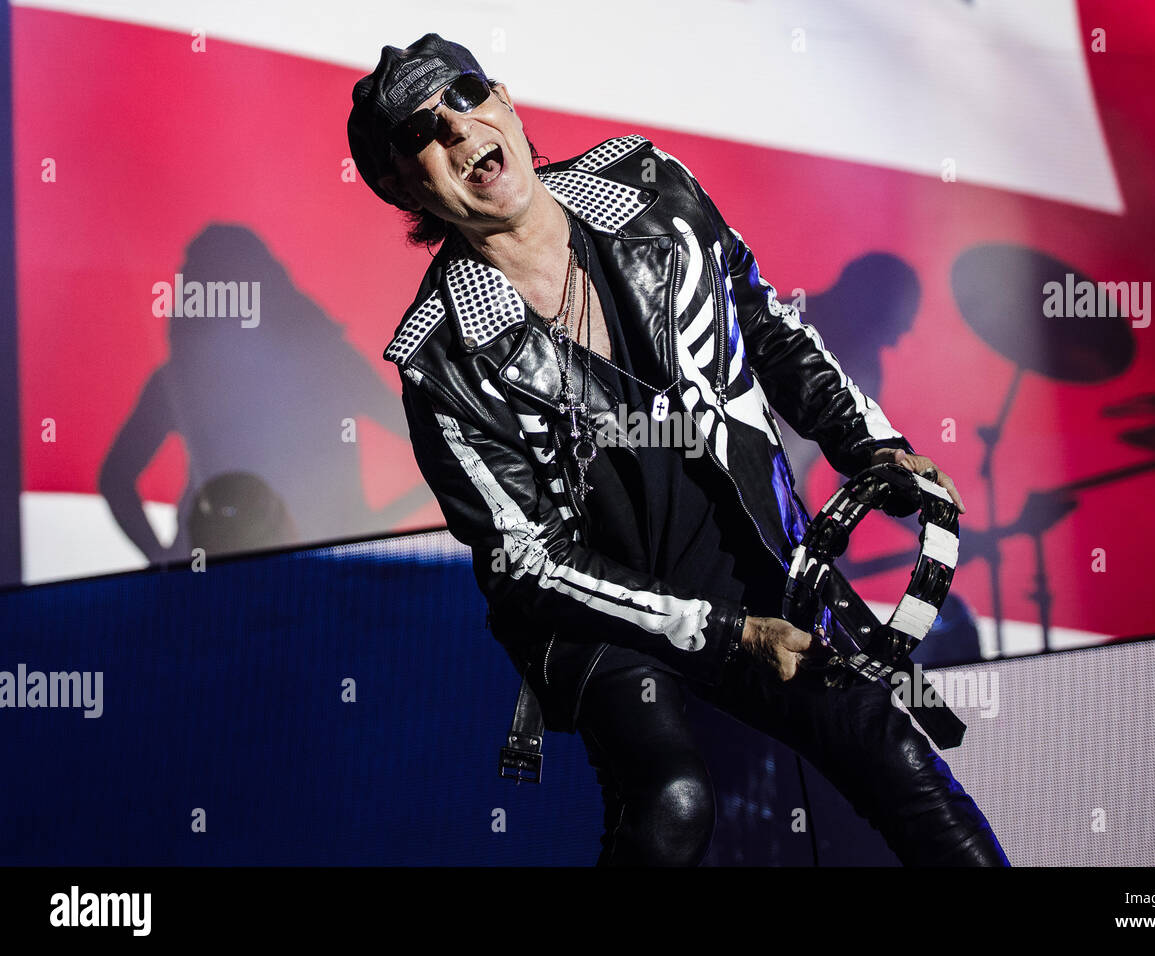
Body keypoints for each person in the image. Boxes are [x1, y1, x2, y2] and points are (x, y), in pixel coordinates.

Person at [347, 33, 1009, 866]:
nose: (455, 129)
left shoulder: (649, 186)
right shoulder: (442, 357)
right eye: (418, 134)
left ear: (506, 103)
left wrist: (868, 444)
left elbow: (764, 323)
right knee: (672, 801)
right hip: (598, 607)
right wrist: (732, 637)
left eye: (467, 95)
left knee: (897, 761)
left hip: (748, 556)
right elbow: (533, 563)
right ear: (402, 186)